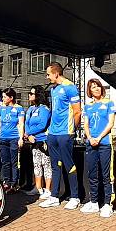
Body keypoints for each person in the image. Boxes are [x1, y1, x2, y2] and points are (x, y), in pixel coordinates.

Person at [39, 62, 82, 209]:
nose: (47, 77)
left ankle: (75, 197)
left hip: (65, 133)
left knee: (69, 165)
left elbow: (78, 111)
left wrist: (72, 129)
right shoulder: (54, 89)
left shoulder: (70, 87)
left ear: (56, 73)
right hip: (53, 133)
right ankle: (54, 196)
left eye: (48, 74)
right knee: (55, 165)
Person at [80, 79, 116, 218]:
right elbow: (86, 124)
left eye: (98, 86)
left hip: (104, 143)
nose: (96, 89)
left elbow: (110, 123)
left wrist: (99, 138)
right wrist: (90, 138)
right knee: (92, 173)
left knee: (106, 174)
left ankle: (107, 204)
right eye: (93, 87)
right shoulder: (87, 106)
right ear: (89, 91)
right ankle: (94, 202)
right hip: (91, 143)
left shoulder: (109, 103)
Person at [23, 86, 52, 198]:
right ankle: (38, 188)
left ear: (38, 95)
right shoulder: (30, 109)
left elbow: (42, 124)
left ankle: (48, 189)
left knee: (46, 165)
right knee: (37, 164)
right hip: (33, 141)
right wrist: (28, 134)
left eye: (32, 93)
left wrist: (28, 133)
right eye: (29, 93)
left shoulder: (44, 109)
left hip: (42, 140)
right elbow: (26, 122)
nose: (29, 95)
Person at [0, 88, 25, 192]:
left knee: (14, 162)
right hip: (2, 138)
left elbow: (21, 124)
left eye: (5, 97)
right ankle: (6, 182)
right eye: (2, 96)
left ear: (11, 97)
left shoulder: (19, 109)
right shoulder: (1, 108)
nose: (3, 99)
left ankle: (14, 183)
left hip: (14, 138)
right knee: (5, 162)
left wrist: (21, 138)